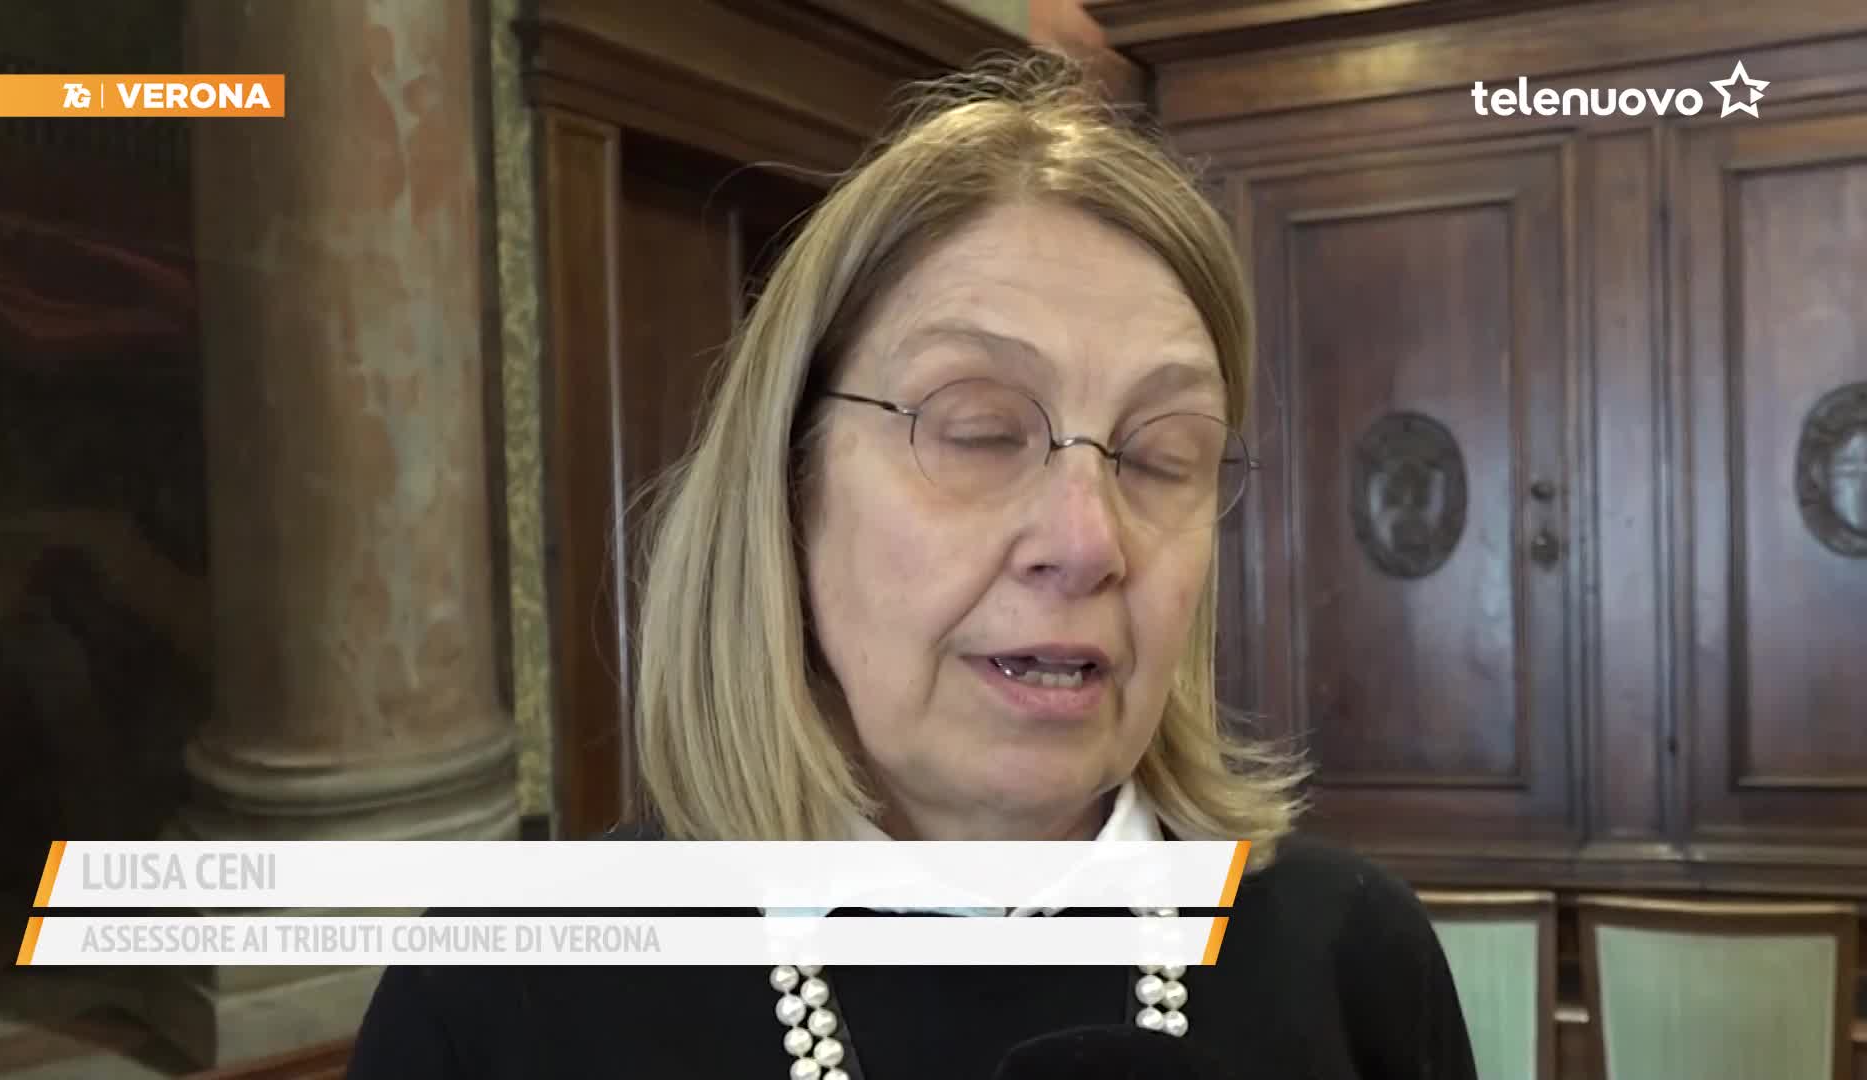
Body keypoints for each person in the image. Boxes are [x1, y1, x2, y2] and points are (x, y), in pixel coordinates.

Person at [345, 51, 1476, 1080]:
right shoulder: (502, 998)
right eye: (979, 432)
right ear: (790, 482)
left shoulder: (1356, 961)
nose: (1087, 542)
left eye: (1158, 456)